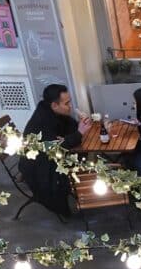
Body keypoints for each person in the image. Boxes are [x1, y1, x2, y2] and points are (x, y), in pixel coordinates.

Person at [20, 84, 93, 218]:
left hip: (50, 156)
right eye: (67, 103)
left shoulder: (53, 112)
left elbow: (66, 133)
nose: (70, 106)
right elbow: (55, 148)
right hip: (39, 166)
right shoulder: (43, 121)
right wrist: (78, 133)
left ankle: (81, 183)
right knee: (79, 154)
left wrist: (76, 130)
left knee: (80, 151)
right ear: (54, 105)